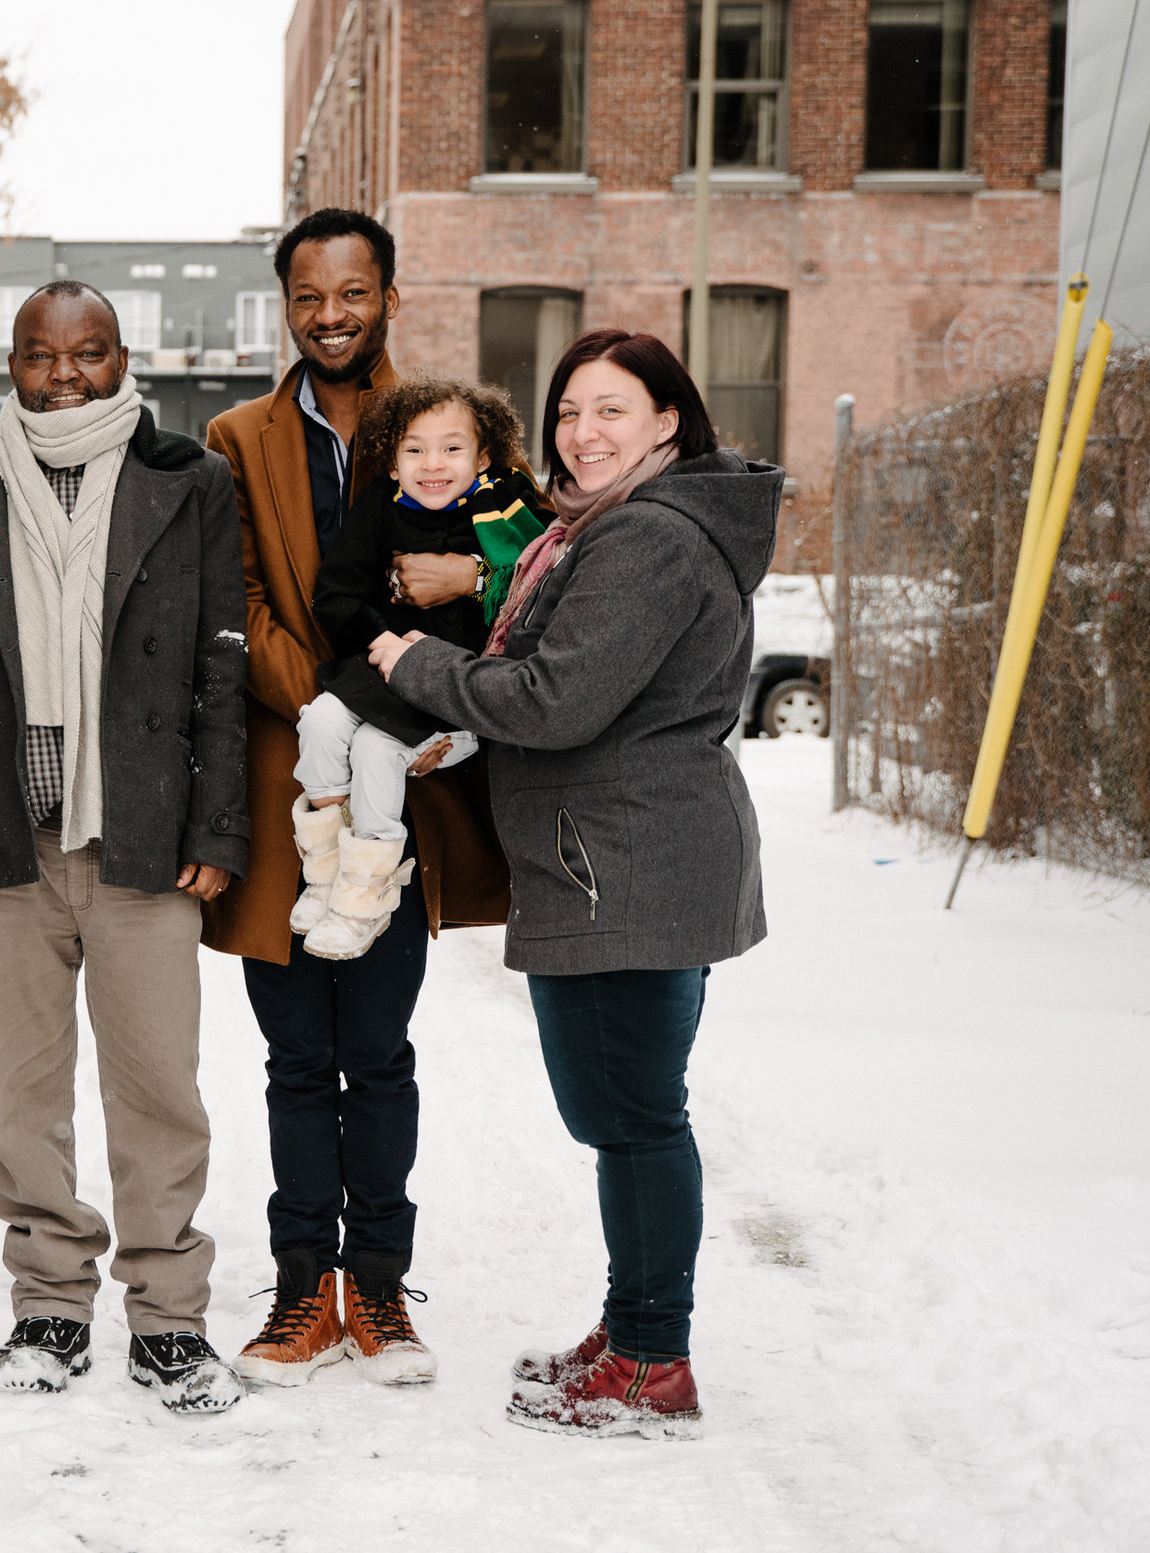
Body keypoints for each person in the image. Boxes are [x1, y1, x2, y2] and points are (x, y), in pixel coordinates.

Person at [372, 328, 782, 1438]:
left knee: (636, 1119)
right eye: (566, 412)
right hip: (619, 856)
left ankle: (655, 1358)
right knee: (625, 1115)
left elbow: (555, 699)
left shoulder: (646, 537)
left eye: (610, 410)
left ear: (666, 423)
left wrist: (418, 662)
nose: (581, 432)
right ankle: (634, 1325)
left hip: (625, 866)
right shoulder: (611, 527)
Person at [0, 281, 251, 1416]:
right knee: (20, 1093)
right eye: (41, 357)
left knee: (157, 1087)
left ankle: (165, 1316)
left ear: (120, 356)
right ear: (8, 362)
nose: (65, 377)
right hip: (7, 834)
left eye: (89, 354)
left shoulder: (189, 479)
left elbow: (217, 662)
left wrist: (216, 823)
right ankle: (49, 1304)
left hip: (142, 834)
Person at [202, 208, 506, 1393]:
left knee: (376, 1051)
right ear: (286, 305)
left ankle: (375, 1285)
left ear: (389, 296)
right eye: (308, 295)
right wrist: (355, 687)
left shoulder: (444, 424)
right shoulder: (234, 437)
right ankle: (296, 1291)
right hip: (286, 784)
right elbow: (231, 604)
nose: (331, 313)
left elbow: (525, 564)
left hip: (406, 783)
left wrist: (461, 603)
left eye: (353, 291)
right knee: (293, 1058)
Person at [290, 380, 548, 959]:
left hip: (460, 694)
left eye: (452, 449)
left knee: (378, 754)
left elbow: (540, 588)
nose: (433, 465)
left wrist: (475, 575)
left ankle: (364, 895)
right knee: (322, 725)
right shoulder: (380, 510)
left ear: (484, 456)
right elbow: (334, 595)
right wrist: (385, 644)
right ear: (391, 459)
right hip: (379, 667)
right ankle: (327, 871)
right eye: (415, 450)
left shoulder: (508, 514)